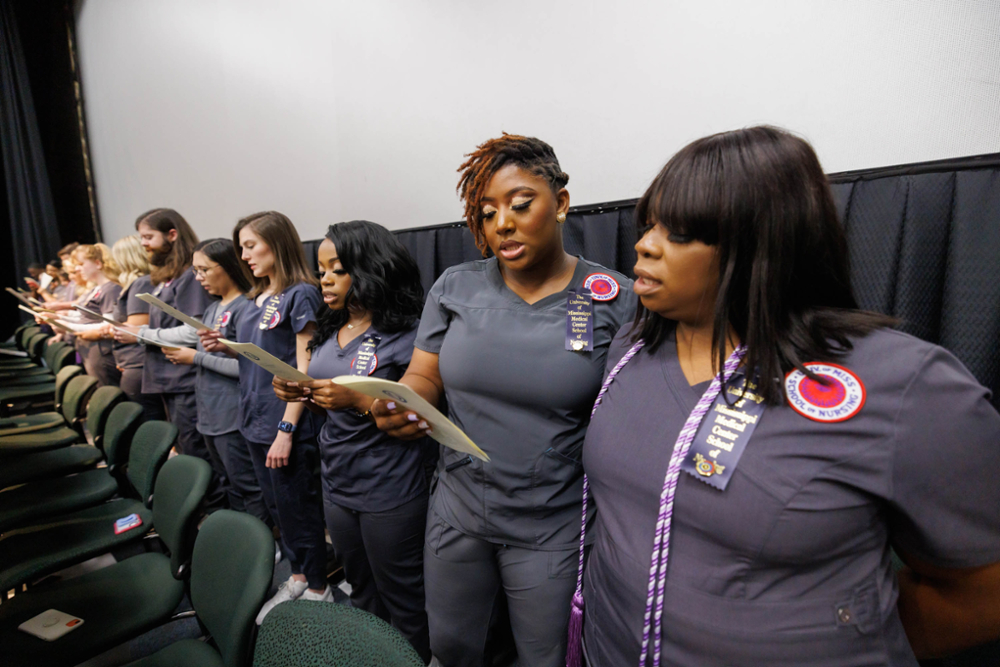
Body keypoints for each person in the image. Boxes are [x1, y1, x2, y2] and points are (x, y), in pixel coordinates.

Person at [573, 126, 1000, 667]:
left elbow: (983, 590)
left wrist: (838, 639)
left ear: (760, 247)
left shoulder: (903, 384)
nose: (643, 244)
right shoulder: (634, 347)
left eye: (678, 233)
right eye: (648, 224)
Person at [372, 134, 636, 667]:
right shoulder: (454, 287)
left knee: (545, 656)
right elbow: (425, 377)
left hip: (551, 521)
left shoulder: (616, 298)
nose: (502, 224)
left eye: (520, 205)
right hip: (458, 507)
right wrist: (403, 403)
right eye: (487, 212)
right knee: (450, 647)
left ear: (560, 203)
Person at [273, 221, 432, 662]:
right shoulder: (331, 326)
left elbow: (422, 413)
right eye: (320, 269)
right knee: (360, 588)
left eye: (336, 269)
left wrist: (358, 401)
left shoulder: (410, 332)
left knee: (402, 597)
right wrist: (296, 390)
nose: (323, 278)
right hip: (338, 480)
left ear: (369, 269)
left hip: (390, 485)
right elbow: (323, 391)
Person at [200, 211, 330, 622]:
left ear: (277, 243)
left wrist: (287, 428)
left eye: (251, 245)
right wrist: (225, 348)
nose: (244, 255)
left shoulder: (301, 294)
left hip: (284, 421)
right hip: (253, 417)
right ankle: (296, 575)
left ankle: (320, 587)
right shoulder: (256, 298)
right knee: (276, 507)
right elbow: (258, 352)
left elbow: (302, 366)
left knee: (299, 506)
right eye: (240, 247)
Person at [162, 238, 271, 527]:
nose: (198, 278)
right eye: (195, 271)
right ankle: (239, 538)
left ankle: (263, 542)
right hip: (210, 413)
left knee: (248, 484)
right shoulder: (212, 308)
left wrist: (193, 358)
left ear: (228, 266)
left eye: (204, 270)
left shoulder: (247, 307)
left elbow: (248, 366)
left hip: (233, 413)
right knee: (228, 483)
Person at [106, 236, 154, 406]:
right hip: (135, 361)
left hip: (139, 363)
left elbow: (134, 329)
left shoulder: (142, 283)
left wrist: (105, 330)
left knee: (145, 419)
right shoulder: (138, 283)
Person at [71, 244, 123, 387]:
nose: (77, 269)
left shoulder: (111, 288)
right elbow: (85, 318)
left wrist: (69, 326)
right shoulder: (96, 289)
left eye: (81, 264)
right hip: (91, 349)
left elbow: (110, 324)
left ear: (98, 263)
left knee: (106, 393)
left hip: (102, 351)